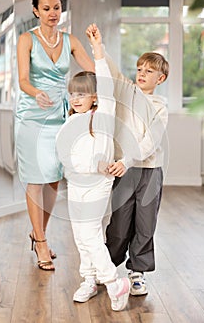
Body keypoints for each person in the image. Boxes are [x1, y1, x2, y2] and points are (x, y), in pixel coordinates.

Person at [15, 0, 95, 271]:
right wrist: (36, 92)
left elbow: (92, 70)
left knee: (53, 179)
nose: (52, 13)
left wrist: (98, 50)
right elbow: (23, 79)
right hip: (32, 116)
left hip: (60, 116)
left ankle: (39, 233)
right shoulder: (26, 39)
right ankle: (41, 242)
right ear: (36, 10)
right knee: (35, 179)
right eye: (46, 8)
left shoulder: (70, 39)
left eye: (57, 7)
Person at [56, 24, 130, 311]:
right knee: (84, 234)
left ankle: (113, 282)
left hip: (98, 183)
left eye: (82, 94)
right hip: (75, 183)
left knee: (88, 233)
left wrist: (97, 49)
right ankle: (89, 279)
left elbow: (106, 82)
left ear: (95, 97)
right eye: (72, 94)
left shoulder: (104, 114)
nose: (76, 99)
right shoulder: (71, 121)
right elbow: (65, 153)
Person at [105, 50, 169, 296]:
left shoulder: (160, 107)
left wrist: (127, 159)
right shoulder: (126, 94)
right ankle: (107, 267)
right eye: (140, 69)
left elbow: (151, 140)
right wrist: (99, 47)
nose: (142, 74)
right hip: (125, 169)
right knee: (119, 225)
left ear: (160, 79)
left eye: (149, 71)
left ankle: (137, 272)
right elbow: (111, 72)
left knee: (145, 224)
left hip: (149, 172)